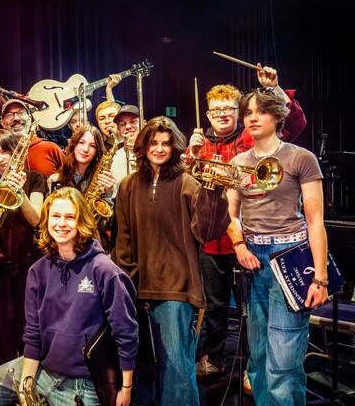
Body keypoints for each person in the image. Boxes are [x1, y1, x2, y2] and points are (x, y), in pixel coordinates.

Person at [184, 65, 307, 379]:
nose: (222, 114)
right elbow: (187, 190)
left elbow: (294, 123)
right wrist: (191, 158)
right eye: (216, 110)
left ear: (237, 113)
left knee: (253, 310)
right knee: (215, 305)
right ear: (208, 114)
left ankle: (254, 367)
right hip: (214, 239)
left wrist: (275, 88)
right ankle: (213, 357)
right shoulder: (199, 144)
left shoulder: (253, 136)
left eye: (228, 109)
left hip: (253, 237)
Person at [0, 187, 138, 406]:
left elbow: (126, 333)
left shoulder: (104, 270)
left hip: (81, 384)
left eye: (70, 217)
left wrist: (126, 388)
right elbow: (33, 333)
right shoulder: (38, 270)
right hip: (40, 369)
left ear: (82, 222)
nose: (61, 223)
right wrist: (26, 387)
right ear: (46, 221)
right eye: (55, 216)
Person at [113, 116, 230, 405]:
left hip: (177, 292)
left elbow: (208, 231)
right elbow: (122, 238)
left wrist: (214, 192)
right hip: (137, 288)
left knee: (177, 370)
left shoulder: (186, 183)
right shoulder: (128, 185)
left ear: (175, 147)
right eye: (154, 143)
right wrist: (126, 282)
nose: (159, 149)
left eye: (166, 144)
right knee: (141, 369)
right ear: (144, 146)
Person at [226, 88, 326, 405]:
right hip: (253, 260)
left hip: (290, 255)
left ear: (277, 116)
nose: (252, 118)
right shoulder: (238, 162)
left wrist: (320, 277)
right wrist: (239, 246)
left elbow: (315, 221)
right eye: (247, 112)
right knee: (257, 359)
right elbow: (231, 215)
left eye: (261, 111)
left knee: (283, 362)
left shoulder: (301, 158)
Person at [0, 129, 45, 367]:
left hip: (28, 264)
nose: (0, 159)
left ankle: (30, 377)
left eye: (4, 151)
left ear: (15, 151)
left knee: (28, 326)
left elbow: (36, 219)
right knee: (2, 330)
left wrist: (18, 191)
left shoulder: (35, 178)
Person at [0, 99, 64, 178]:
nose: (16, 118)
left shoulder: (51, 149)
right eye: (9, 115)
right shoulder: (0, 156)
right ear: (3, 123)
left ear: (30, 119)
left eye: (21, 112)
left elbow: (70, 180)